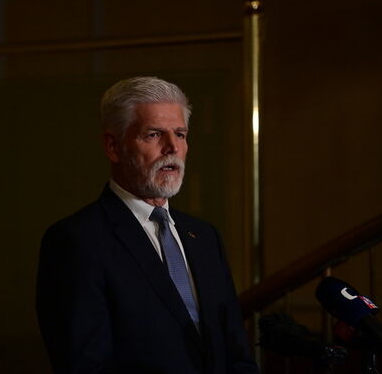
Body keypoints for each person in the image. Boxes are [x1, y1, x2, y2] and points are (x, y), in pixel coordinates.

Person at [36, 76, 258, 374]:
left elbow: (237, 351)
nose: (172, 147)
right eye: (154, 134)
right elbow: (87, 365)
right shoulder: (76, 240)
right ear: (113, 147)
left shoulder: (205, 236)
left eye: (180, 134)